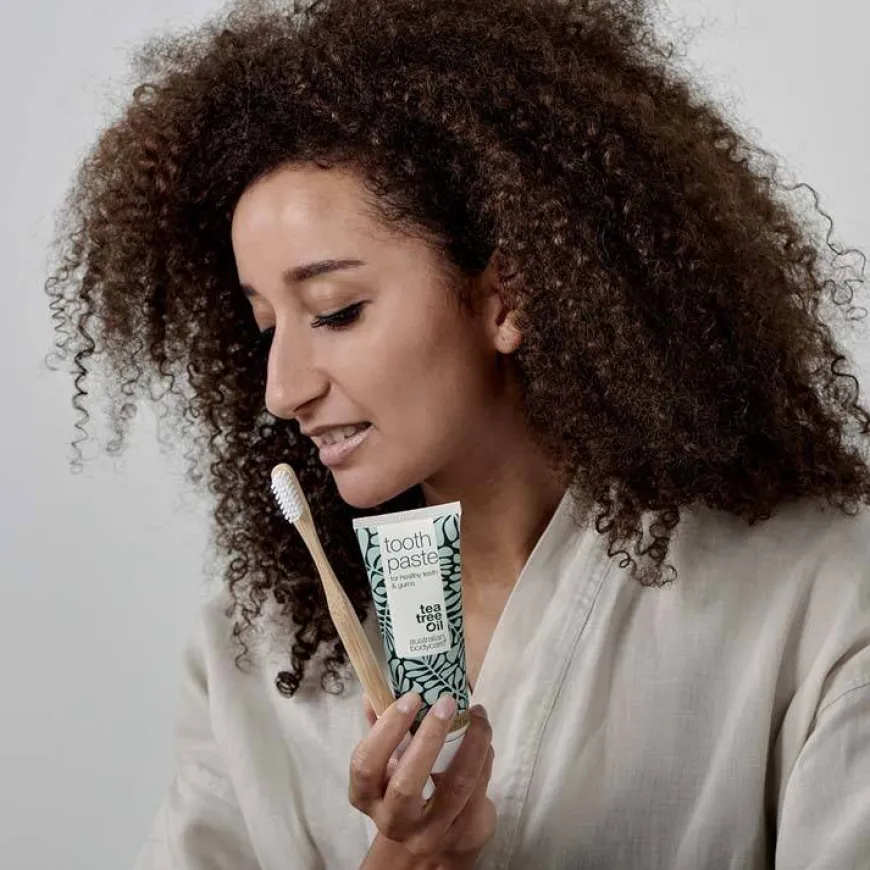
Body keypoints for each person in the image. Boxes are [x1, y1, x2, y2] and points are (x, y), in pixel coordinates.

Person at [46, 0, 870, 867]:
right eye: (264, 327)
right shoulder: (256, 661)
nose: (282, 391)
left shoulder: (815, 606)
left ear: (506, 296)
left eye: (336, 311)